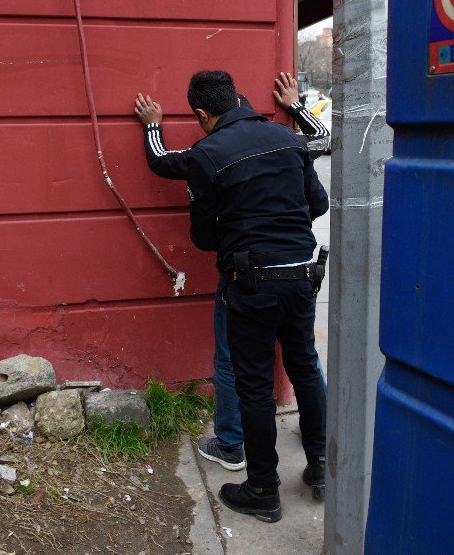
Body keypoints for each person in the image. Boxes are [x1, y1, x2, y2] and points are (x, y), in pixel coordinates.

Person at [133, 73, 329, 485]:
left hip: (249, 279)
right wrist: (294, 105)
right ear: (239, 98)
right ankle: (321, 467)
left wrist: (152, 123)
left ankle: (257, 481)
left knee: (248, 378)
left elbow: (202, 236)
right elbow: (319, 203)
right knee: (306, 368)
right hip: (300, 273)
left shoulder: (208, 153)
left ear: (204, 114)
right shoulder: (290, 139)